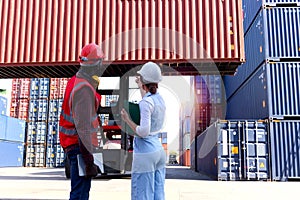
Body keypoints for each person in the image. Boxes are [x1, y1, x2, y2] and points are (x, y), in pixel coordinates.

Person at [59, 43, 104, 200]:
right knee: (80, 194)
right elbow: (83, 129)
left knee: (79, 192)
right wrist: (89, 162)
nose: (102, 66)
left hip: (74, 146)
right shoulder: (84, 90)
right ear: (93, 64)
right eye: (100, 62)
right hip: (79, 147)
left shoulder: (74, 81)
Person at [121, 61, 167, 200]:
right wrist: (140, 84)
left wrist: (127, 119)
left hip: (145, 152)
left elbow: (143, 132)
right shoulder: (159, 99)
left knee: (142, 194)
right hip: (158, 151)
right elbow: (146, 99)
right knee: (158, 193)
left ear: (143, 81)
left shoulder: (146, 103)